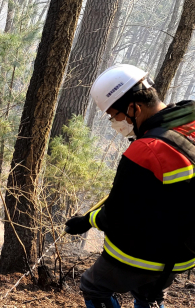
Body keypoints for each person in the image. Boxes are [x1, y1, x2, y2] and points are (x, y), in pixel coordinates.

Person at [64, 64, 195, 308]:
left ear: (134, 107)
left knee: (93, 286)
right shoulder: (190, 117)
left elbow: (117, 215)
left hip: (147, 256)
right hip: (186, 253)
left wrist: (87, 221)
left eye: (115, 115)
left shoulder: (145, 150)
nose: (115, 122)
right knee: (148, 291)